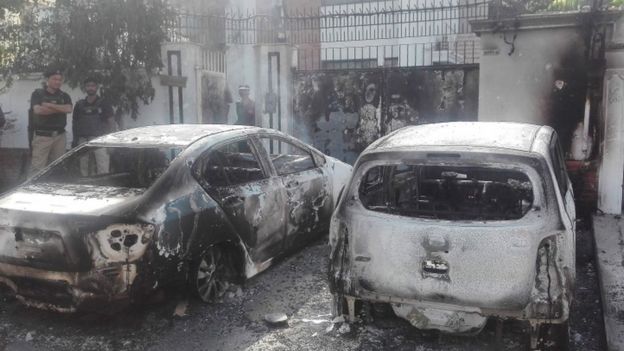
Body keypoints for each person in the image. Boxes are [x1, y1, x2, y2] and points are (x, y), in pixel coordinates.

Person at [29, 68, 73, 176]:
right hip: (42, 136)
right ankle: (32, 192)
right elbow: (38, 110)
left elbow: (69, 109)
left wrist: (49, 105)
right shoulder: (38, 94)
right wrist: (59, 109)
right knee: (37, 168)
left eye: (60, 79)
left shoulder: (64, 96)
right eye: (54, 79)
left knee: (58, 167)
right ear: (47, 80)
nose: (58, 82)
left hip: (60, 137)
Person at [72, 76, 115, 175]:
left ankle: (103, 188)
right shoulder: (79, 105)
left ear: (97, 87)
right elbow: (75, 123)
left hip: (100, 140)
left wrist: (112, 142)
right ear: (85, 88)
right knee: (84, 168)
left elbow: (111, 123)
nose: (90, 88)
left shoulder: (104, 103)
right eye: (88, 86)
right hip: (83, 140)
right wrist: (75, 141)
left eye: (93, 86)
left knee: (103, 168)